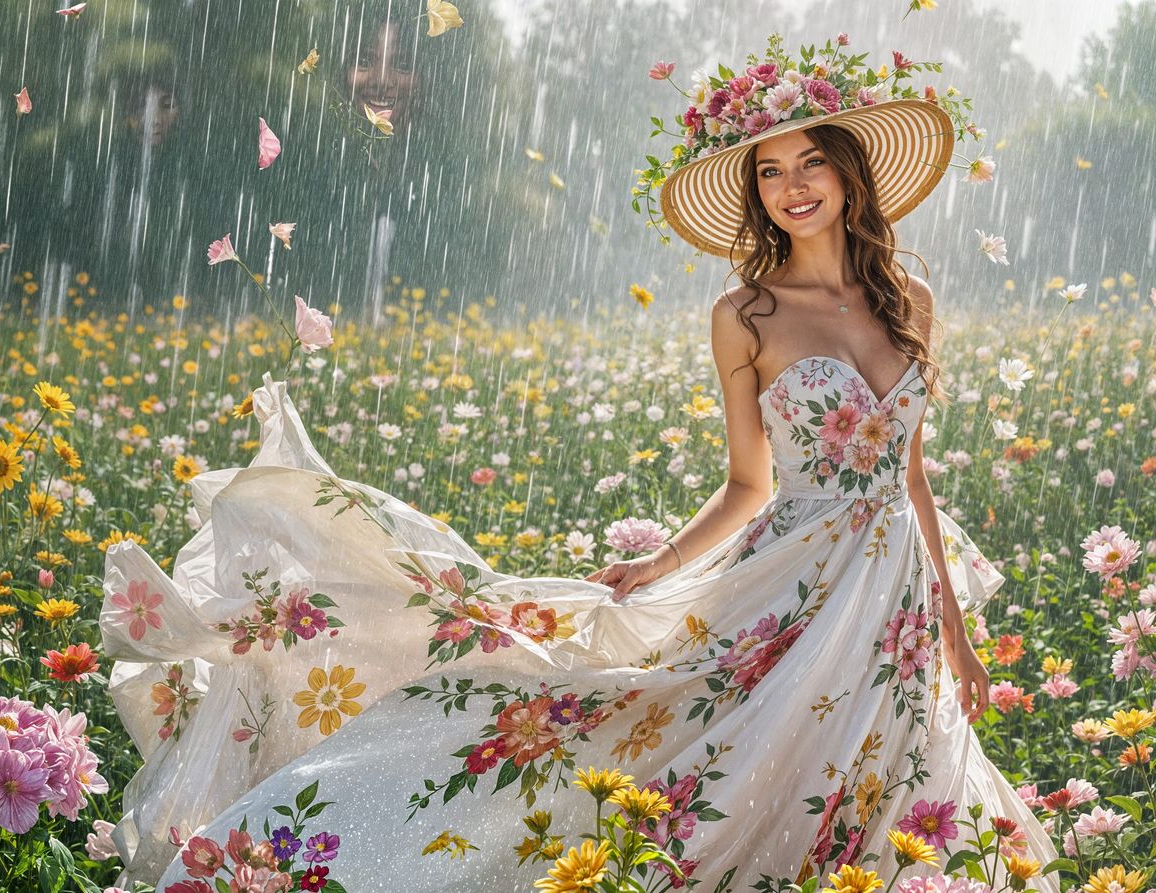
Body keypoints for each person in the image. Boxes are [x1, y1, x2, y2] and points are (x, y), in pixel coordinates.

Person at [99, 79, 1059, 893]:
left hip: (889, 598)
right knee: (669, 727)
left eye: (810, 163)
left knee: (878, 776)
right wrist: (661, 564)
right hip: (797, 581)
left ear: (851, 171)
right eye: (769, 171)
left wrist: (956, 636)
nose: (790, 188)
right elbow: (747, 482)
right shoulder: (746, 313)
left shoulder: (911, 301)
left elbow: (912, 477)